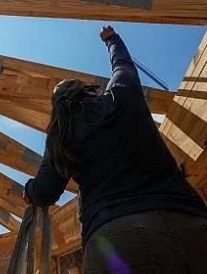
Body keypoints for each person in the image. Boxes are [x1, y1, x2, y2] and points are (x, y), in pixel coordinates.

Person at [24, 26, 207, 274]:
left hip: (117, 238)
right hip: (190, 222)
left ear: (57, 107)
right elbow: (123, 66)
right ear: (86, 89)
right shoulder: (122, 96)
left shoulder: (61, 133)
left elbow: (46, 191)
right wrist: (112, 39)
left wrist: (29, 191)